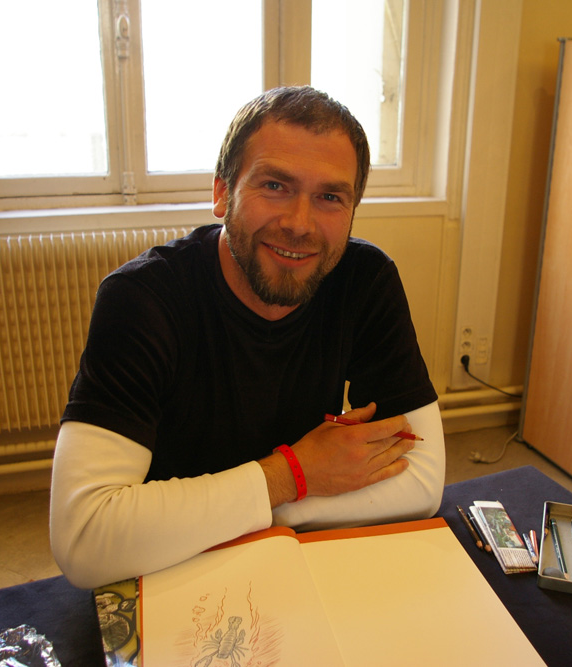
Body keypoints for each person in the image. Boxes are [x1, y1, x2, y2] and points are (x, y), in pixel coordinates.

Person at [50, 86, 445, 589]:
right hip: (168, 578)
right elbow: (85, 539)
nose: (299, 224)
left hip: (258, 561)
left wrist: (277, 510)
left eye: (329, 197)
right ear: (222, 193)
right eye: (275, 185)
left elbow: (423, 481)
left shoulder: (364, 280)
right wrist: (293, 474)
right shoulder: (141, 300)